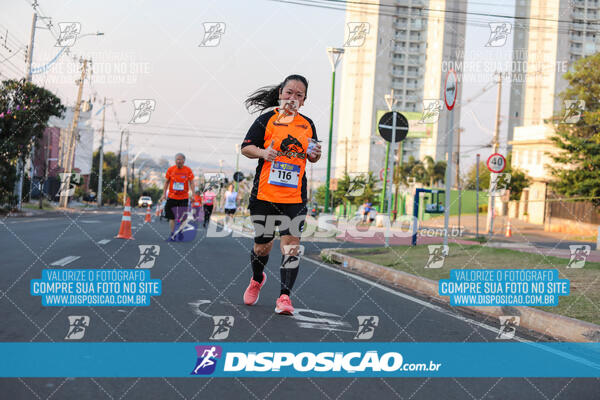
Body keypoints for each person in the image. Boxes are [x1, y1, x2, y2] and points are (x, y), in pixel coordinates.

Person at [240, 74, 321, 315]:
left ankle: (284, 297)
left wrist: (315, 154)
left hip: (294, 197)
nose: (292, 98)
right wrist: (264, 153)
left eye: (299, 95)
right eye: (289, 93)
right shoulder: (266, 120)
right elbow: (246, 148)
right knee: (262, 247)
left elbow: (313, 154)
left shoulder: (307, 124)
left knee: (291, 246)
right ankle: (257, 278)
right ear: (280, 94)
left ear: (304, 100)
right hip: (264, 194)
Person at [159, 153, 195, 234]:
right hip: (172, 197)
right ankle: (172, 233)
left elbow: (192, 183)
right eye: (177, 159)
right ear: (175, 161)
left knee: (183, 217)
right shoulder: (171, 170)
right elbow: (166, 183)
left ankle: (180, 231)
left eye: (180, 159)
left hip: (184, 197)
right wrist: (164, 194)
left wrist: (193, 194)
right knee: (172, 217)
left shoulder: (188, 170)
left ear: (184, 161)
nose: (178, 161)